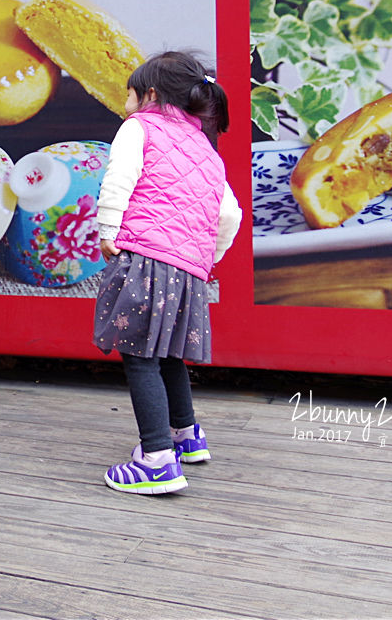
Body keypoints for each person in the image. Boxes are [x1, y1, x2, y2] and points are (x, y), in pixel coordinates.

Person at [91, 51, 241, 495]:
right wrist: (207, 257)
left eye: (130, 95)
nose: (126, 105)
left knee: (140, 356)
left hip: (144, 258)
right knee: (169, 351)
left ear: (151, 95)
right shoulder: (206, 149)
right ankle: (186, 436)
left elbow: (119, 177)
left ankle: (156, 460)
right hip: (189, 271)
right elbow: (230, 214)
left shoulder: (140, 127)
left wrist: (108, 228)